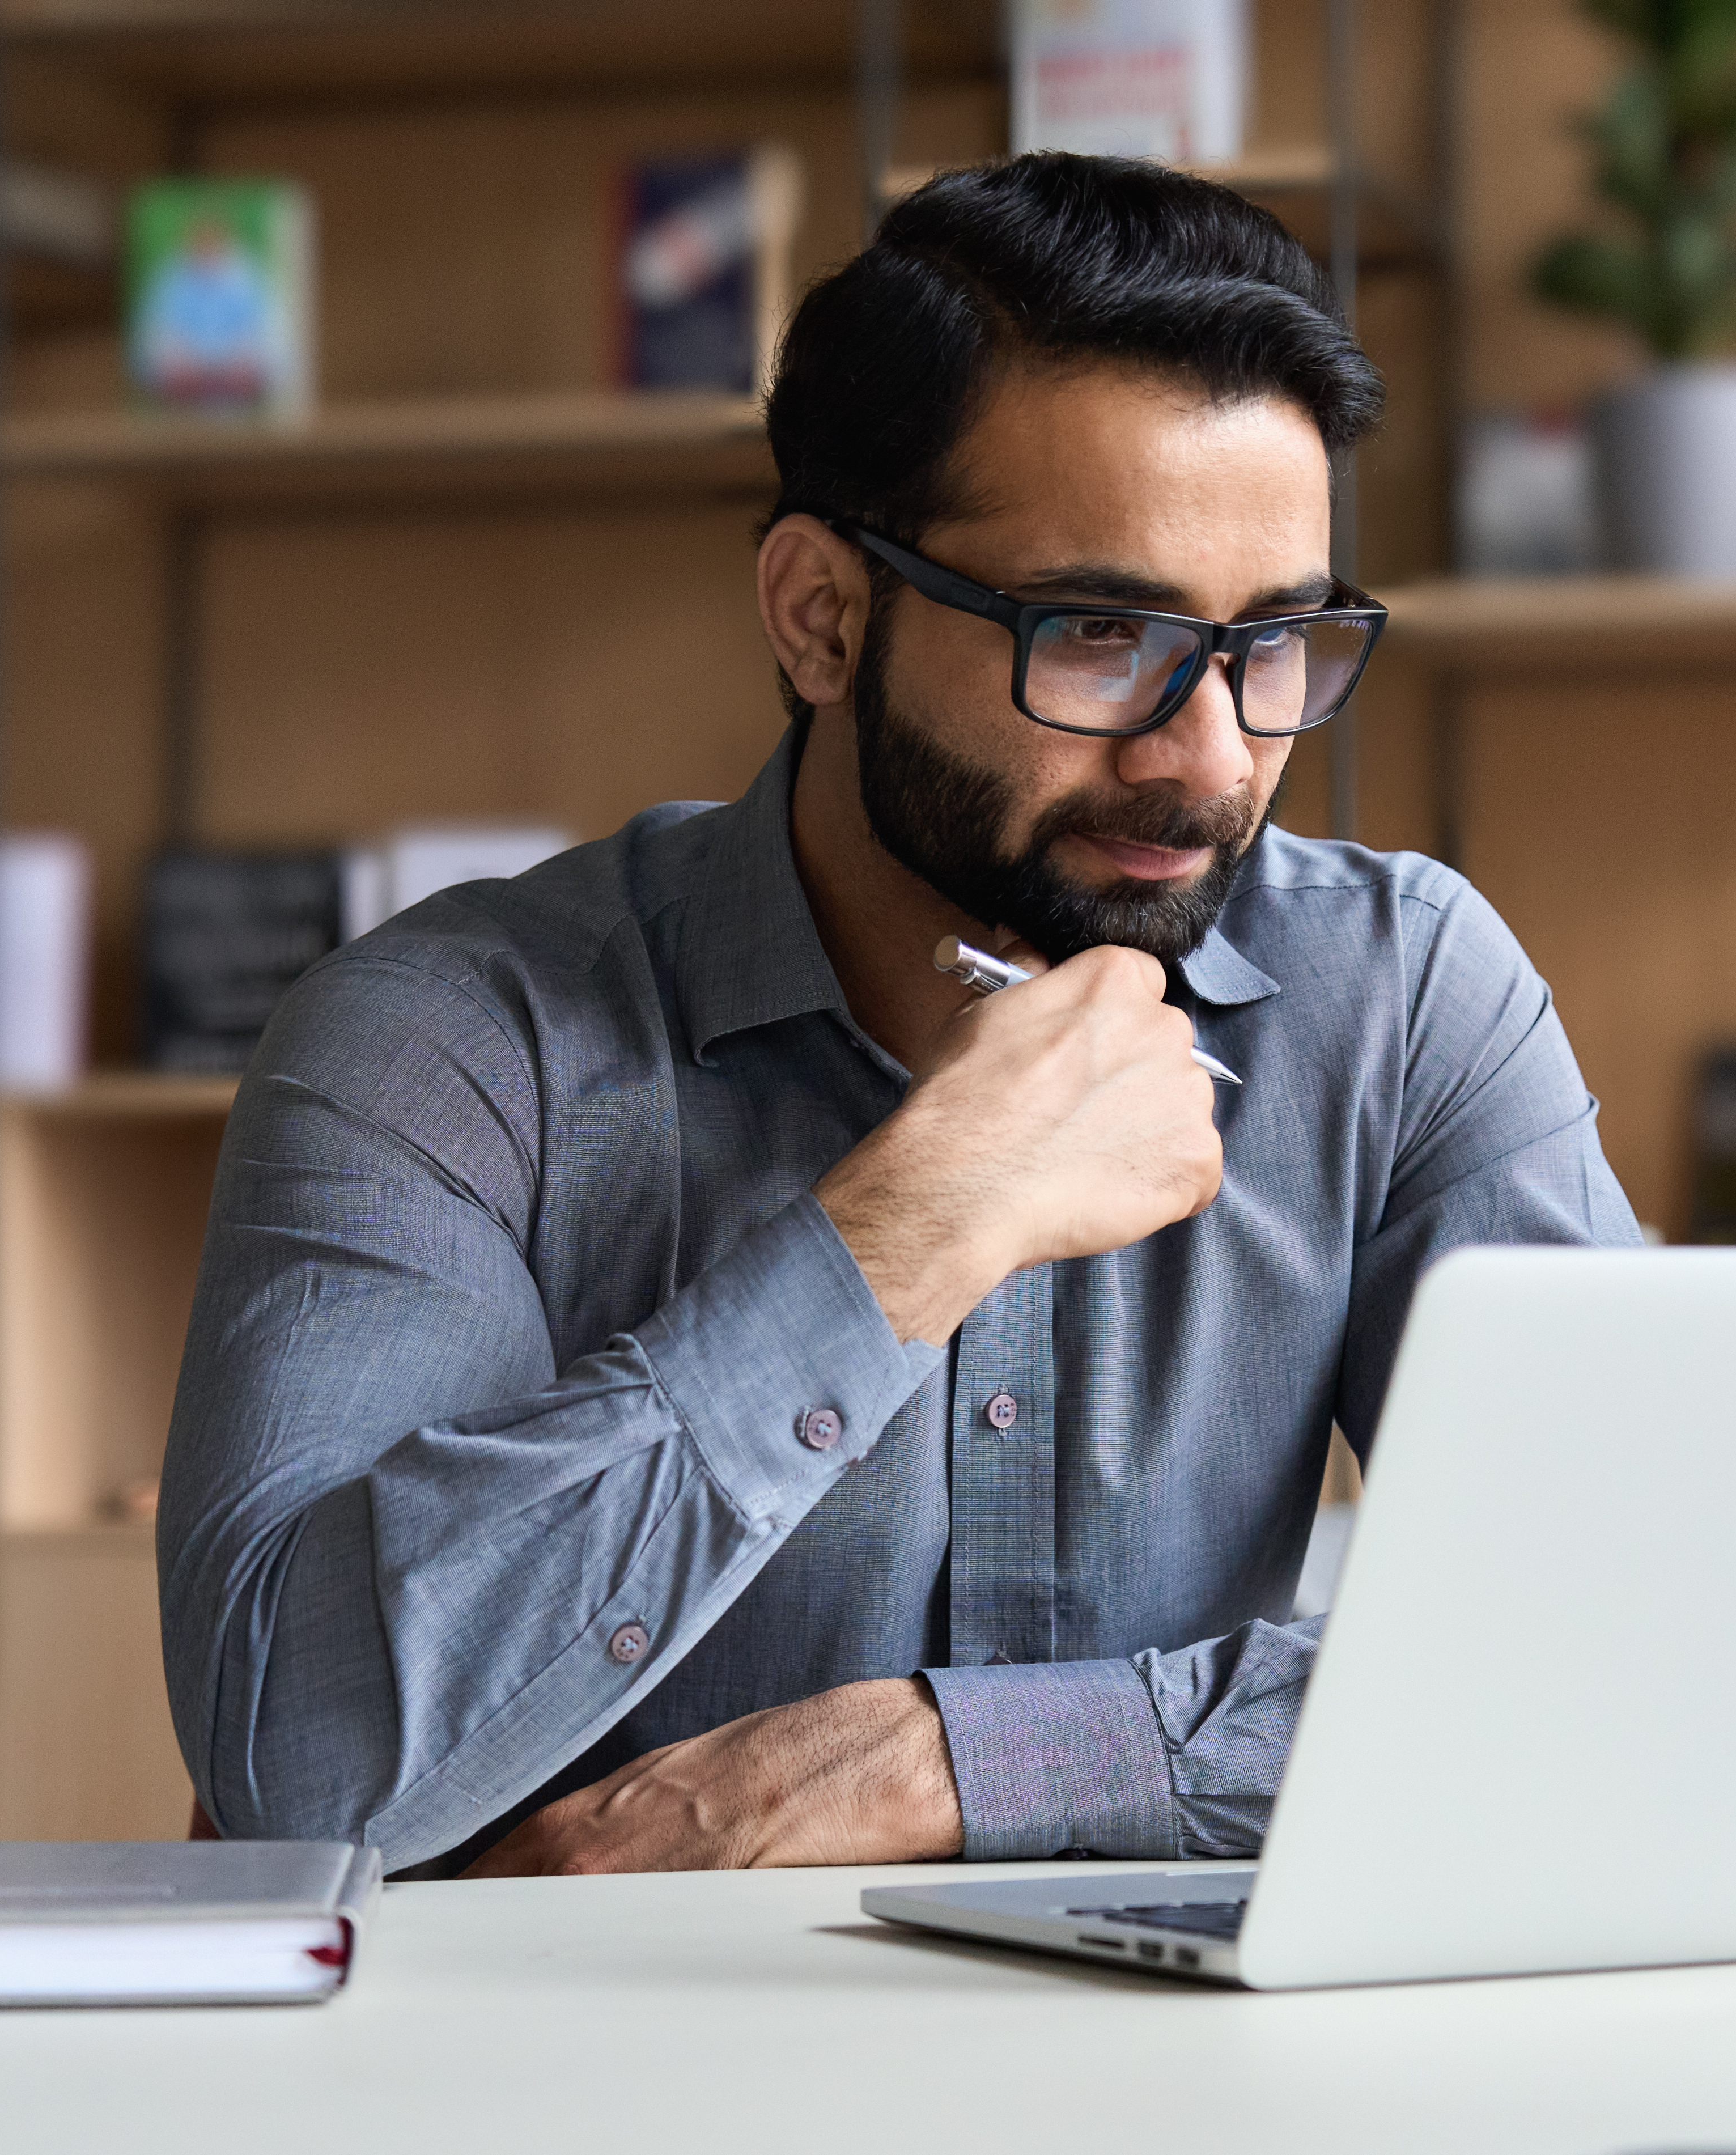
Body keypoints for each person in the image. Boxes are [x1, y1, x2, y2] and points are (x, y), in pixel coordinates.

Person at [158, 152, 1642, 1878]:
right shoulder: (442, 1043)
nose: (1217, 757)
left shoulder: (1401, 999)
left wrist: (941, 1763)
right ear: (820, 616)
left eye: (1277, 644)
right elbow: (299, 1765)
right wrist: (906, 1231)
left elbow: (1646, 1637)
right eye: (1099, 632)